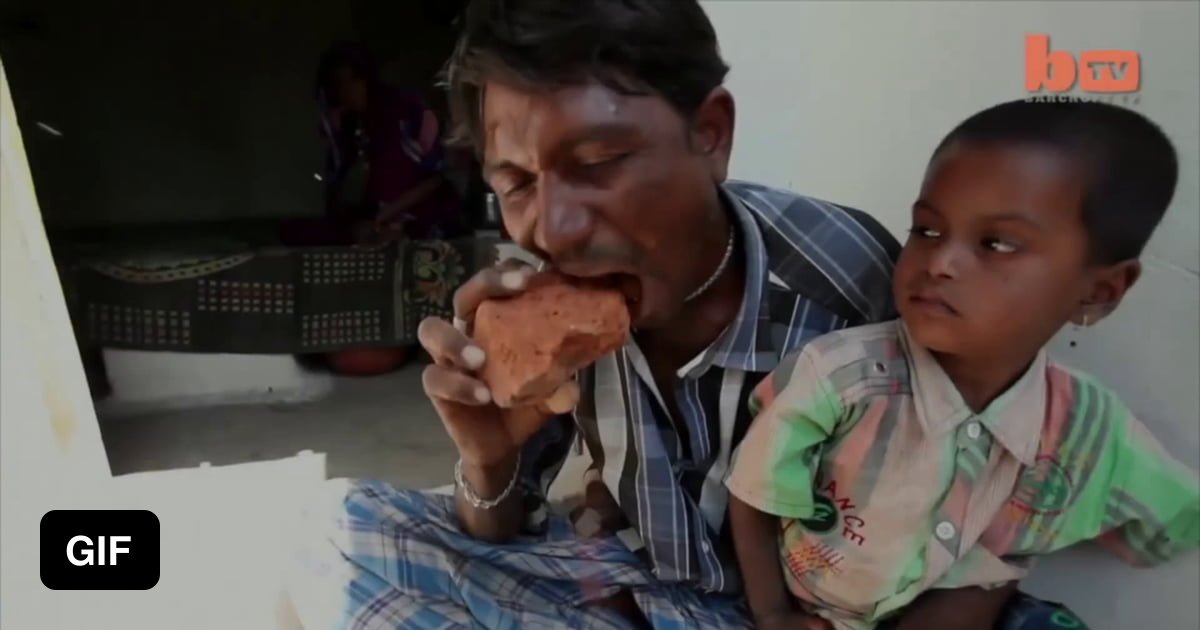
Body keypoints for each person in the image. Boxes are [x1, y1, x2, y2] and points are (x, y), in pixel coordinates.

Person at [282, 2, 1045, 628]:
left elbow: (978, 512)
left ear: (711, 134)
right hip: (629, 588)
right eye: (515, 182)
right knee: (337, 538)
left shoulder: (853, 292)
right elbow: (501, 530)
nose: (553, 229)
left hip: (811, 614)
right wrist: (490, 458)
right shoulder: (543, 309)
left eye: (597, 164)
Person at [726, 100, 1200, 630]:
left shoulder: (1088, 429)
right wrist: (771, 614)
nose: (940, 263)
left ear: (1101, 290)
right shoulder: (840, 375)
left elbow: (1176, 515)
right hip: (812, 608)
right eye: (926, 230)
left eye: (996, 243)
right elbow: (753, 493)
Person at [281, 42, 466, 247]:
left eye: (343, 83)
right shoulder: (352, 128)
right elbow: (341, 189)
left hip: (427, 226)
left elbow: (439, 176)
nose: (341, 92)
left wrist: (386, 215)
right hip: (378, 227)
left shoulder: (405, 111)